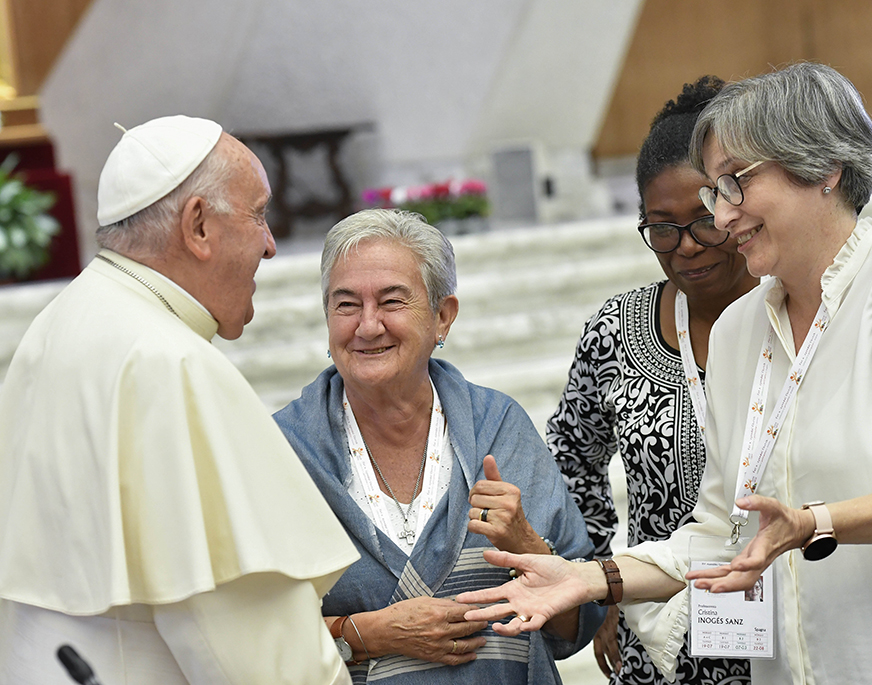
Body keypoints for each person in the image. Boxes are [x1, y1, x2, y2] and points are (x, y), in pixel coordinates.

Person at [460, 63, 872, 684]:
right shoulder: (741, 329)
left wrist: (813, 524)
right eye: (715, 193)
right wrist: (589, 579)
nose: (720, 218)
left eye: (734, 184)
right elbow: (719, 532)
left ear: (823, 168)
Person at [0, 115, 359, 685]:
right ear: (197, 226)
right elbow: (255, 653)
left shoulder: (57, 326)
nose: (270, 245)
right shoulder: (172, 364)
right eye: (258, 214)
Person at [273, 208, 605, 684]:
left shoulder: (498, 427)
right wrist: (368, 634)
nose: (367, 326)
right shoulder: (285, 450)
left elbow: (576, 628)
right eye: (346, 305)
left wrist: (525, 544)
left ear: (442, 317)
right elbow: (246, 636)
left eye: (391, 301)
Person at [547, 76, 753, 685]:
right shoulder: (615, 332)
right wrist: (601, 581)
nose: (686, 247)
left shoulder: (795, 315)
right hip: (662, 641)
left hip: (795, 629)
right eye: (662, 227)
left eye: (705, 219)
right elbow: (571, 461)